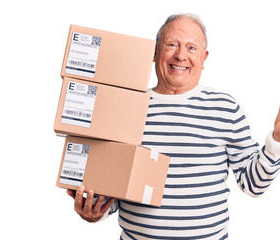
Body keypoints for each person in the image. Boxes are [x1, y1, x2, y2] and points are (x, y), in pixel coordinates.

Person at [67, 13, 280, 239]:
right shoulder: (127, 107)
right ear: (155, 51)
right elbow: (113, 186)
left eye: (191, 48)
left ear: (204, 57)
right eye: (172, 45)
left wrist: (276, 141)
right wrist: (95, 211)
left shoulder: (226, 108)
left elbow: (254, 184)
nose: (180, 55)